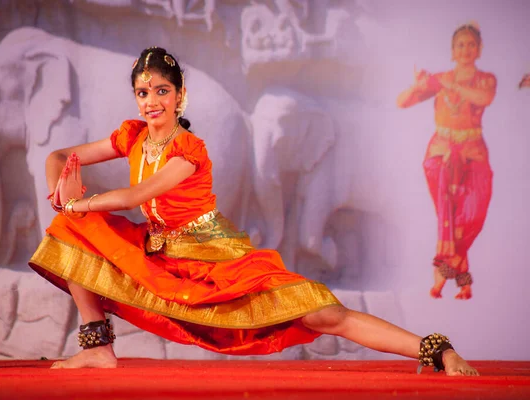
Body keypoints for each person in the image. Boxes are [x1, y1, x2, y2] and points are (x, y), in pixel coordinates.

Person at [29, 46, 478, 375]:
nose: (152, 101)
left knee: (323, 314)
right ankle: (98, 346)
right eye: (143, 92)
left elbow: (135, 194)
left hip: (212, 256)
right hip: (159, 251)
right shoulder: (131, 135)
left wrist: (79, 202)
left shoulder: (189, 149)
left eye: (161, 91)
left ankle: (436, 349)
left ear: (180, 95)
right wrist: (59, 188)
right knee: (71, 228)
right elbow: (60, 156)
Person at [396, 22, 496, 300]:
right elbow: (402, 102)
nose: (466, 49)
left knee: (473, 214)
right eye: (460, 45)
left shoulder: (486, 79)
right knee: (449, 218)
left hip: (473, 151)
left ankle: (447, 271)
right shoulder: (441, 79)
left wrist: (452, 84)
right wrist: (416, 86)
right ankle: (459, 280)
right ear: (452, 51)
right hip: (441, 154)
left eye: (471, 44)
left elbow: (483, 98)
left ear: (479, 49)